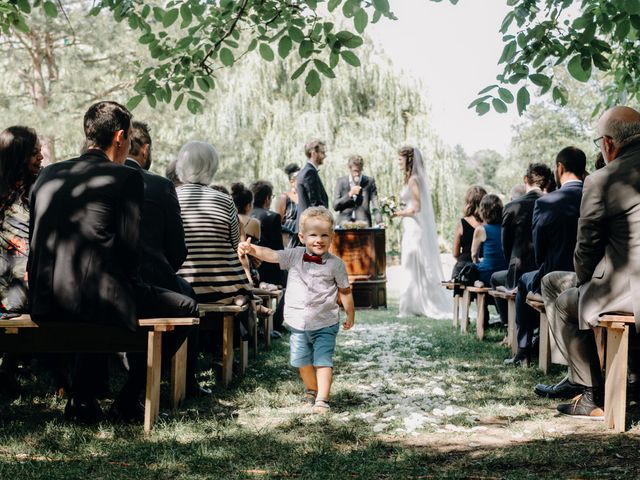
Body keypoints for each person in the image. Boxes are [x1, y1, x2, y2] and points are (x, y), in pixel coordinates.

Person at [28, 101, 198, 422]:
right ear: (120, 137)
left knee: (98, 299)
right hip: (97, 300)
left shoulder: (47, 174)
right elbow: (128, 251)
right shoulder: (124, 178)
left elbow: (36, 239)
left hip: (43, 299)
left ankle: (82, 399)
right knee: (185, 305)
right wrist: (138, 291)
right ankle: (128, 397)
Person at [551, 106, 640, 417]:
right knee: (563, 287)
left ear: (608, 143)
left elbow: (587, 245)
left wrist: (583, 279)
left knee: (566, 302)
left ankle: (591, 393)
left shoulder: (602, 179)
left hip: (629, 287)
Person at [238, 206, 355, 414]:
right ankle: (312, 388)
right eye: (313, 235)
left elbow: (345, 291)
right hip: (298, 320)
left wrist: (350, 314)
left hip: (326, 321)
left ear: (332, 237)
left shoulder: (336, 265)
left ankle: (322, 399)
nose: (318, 240)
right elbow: (272, 255)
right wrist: (252, 250)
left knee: (323, 360)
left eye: (324, 235)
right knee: (300, 360)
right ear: (302, 237)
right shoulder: (294, 255)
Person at [124, 121, 207, 397]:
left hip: (95, 283)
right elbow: (177, 249)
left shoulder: (96, 180)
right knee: (185, 295)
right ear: (145, 149)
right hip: (146, 281)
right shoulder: (159, 186)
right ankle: (177, 381)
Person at [504, 147, 585, 367]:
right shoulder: (593, 196)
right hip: (588, 277)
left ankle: (523, 350)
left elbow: (539, 252)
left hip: (554, 276)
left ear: (560, 168)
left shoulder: (548, 203)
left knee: (523, 281)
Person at [175, 141, 252, 306]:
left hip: (180, 287)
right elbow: (234, 244)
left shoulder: (170, 197)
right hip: (225, 288)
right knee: (245, 293)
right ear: (211, 167)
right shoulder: (225, 200)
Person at [394, 146, 452, 319]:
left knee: (413, 263)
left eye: (400, 159)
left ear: (408, 160)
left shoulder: (413, 180)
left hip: (414, 227)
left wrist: (399, 213)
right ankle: (414, 303)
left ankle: (416, 304)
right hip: (411, 226)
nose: (398, 162)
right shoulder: (414, 179)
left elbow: (416, 207)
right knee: (412, 264)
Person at [490, 163, 551, 324]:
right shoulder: (553, 203)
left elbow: (506, 244)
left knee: (495, 278)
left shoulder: (512, 207)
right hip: (545, 268)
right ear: (548, 182)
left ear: (526, 179)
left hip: (518, 269)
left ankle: (507, 323)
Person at [0, 126, 42, 315]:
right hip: (16, 301)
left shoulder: (39, 187)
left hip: (22, 297)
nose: (41, 157)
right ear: (18, 157)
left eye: (40, 151)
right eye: (34, 153)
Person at [250, 180, 285, 286]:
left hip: (250, 268)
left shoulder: (243, 215)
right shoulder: (273, 217)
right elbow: (278, 249)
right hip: (269, 270)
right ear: (267, 198)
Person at [333, 154, 382, 226]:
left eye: (359, 171)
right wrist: (350, 194)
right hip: (344, 225)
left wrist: (380, 222)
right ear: (349, 168)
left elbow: (376, 205)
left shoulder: (369, 182)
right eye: (355, 171)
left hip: (364, 225)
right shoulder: (341, 182)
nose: (357, 174)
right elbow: (335, 206)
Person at [451, 185, 486, 280]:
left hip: (463, 267)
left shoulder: (462, 223)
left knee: (459, 292)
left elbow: (455, 253)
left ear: (468, 202)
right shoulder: (489, 223)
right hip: (483, 268)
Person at [471, 194, 508, 287]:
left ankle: (478, 282)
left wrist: (479, 261)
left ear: (483, 211)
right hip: (505, 272)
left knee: (468, 268)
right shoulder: (506, 228)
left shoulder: (481, 229)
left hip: (487, 274)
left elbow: (474, 255)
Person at [295, 140, 328, 238]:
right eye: (322, 153)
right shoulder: (309, 172)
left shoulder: (306, 171)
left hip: (307, 226)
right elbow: (315, 203)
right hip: (310, 227)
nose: (325, 156)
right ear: (314, 153)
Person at [275, 163, 300, 247]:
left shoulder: (305, 197)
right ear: (292, 181)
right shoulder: (284, 197)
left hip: (303, 235)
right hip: (289, 236)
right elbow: (278, 220)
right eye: (299, 179)